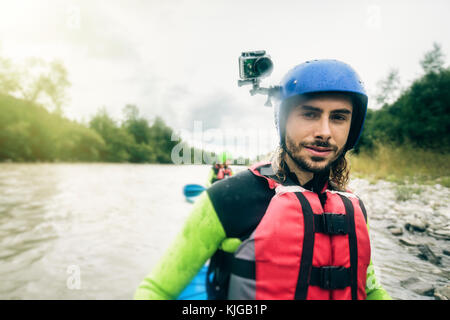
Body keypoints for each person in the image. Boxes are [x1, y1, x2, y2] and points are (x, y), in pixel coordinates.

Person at [134, 59, 391, 300]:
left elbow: (371, 288)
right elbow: (156, 291)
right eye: (309, 114)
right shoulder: (226, 199)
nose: (324, 132)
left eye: (338, 117)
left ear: (352, 127)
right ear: (283, 121)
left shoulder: (351, 205)